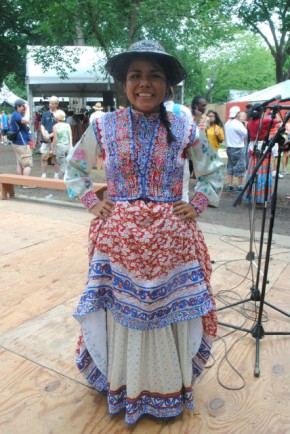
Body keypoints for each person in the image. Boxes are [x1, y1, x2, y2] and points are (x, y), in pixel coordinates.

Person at [64, 40, 224, 424]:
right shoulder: (103, 125)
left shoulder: (185, 124)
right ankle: (125, 384)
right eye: (136, 75)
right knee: (123, 317)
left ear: (167, 84)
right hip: (118, 244)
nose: (145, 84)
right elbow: (75, 169)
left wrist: (197, 204)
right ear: (124, 83)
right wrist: (92, 202)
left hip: (172, 244)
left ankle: (169, 387)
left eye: (155, 76)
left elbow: (212, 170)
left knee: (169, 316)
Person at [244, 104, 277, 204]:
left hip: (253, 149)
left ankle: (251, 196)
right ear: (262, 112)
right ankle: (261, 198)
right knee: (263, 174)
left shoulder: (250, 123)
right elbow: (275, 121)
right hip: (263, 149)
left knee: (252, 173)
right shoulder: (264, 121)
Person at [164, 86, 193, 202]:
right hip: (179, 159)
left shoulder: (148, 112)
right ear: (172, 94)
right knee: (181, 195)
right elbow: (191, 137)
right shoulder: (183, 110)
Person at [224, 106, 247, 192]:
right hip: (238, 147)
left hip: (229, 147)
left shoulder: (227, 123)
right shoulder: (238, 123)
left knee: (230, 165)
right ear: (237, 114)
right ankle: (240, 185)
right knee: (240, 166)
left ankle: (230, 184)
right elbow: (245, 133)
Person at [9, 99, 34, 180]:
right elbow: (26, 120)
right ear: (18, 107)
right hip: (21, 143)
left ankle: (21, 182)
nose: (24, 108)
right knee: (27, 164)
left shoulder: (16, 114)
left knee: (20, 163)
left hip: (17, 143)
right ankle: (26, 183)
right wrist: (28, 109)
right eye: (23, 106)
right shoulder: (16, 115)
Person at [40, 96, 59, 178]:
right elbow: (42, 125)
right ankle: (43, 174)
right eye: (49, 103)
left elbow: (60, 127)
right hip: (46, 139)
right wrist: (44, 135)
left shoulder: (59, 114)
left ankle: (56, 175)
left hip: (56, 139)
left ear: (56, 104)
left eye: (52, 103)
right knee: (44, 157)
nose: (50, 105)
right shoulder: (45, 114)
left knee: (56, 158)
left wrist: (50, 135)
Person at [51, 110, 72, 179]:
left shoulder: (55, 126)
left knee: (62, 164)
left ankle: (64, 180)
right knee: (66, 163)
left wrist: (52, 149)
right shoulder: (67, 125)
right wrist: (71, 146)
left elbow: (55, 139)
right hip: (67, 146)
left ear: (57, 118)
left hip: (60, 146)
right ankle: (66, 178)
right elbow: (70, 136)